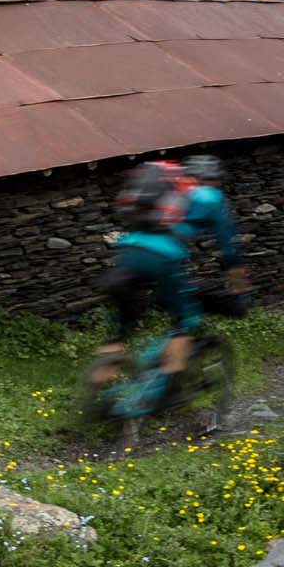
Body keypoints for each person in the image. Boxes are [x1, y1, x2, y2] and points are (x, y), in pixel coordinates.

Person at [89, 160, 203, 409]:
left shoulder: (137, 189)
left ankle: (94, 392)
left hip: (128, 251)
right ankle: (170, 391)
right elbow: (182, 224)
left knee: (122, 326)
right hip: (164, 258)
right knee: (184, 323)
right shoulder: (178, 187)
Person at [181, 154, 248, 313]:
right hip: (164, 262)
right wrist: (239, 285)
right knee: (235, 308)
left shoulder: (171, 189)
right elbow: (229, 248)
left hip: (131, 256)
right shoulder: (212, 198)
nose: (219, 184)